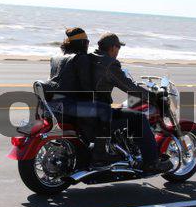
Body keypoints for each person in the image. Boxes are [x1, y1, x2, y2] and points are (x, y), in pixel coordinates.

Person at [89, 32, 173, 173]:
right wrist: (152, 96)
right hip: (98, 112)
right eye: (118, 48)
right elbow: (129, 87)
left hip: (84, 108)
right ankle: (151, 163)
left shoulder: (89, 58)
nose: (118, 52)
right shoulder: (110, 64)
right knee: (139, 118)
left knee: (122, 110)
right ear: (113, 48)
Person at [44, 28, 109, 161]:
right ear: (82, 43)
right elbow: (86, 87)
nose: (88, 44)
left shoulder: (55, 57)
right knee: (105, 109)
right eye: (87, 42)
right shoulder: (80, 58)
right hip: (69, 106)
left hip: (52, 105)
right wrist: (98, 98)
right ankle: (100, 153)